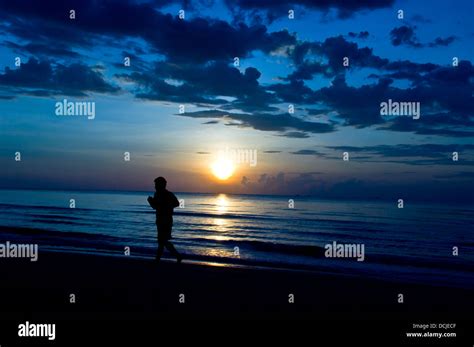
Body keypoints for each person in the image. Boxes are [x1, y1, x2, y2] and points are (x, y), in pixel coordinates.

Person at [147, 177, 183, 263]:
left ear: (162, 184)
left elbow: (177, 203)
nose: (155, 186)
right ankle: (161, 258)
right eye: (155, 184)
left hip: (166, 220)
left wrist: (164, 205)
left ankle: (175, 256)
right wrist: (151, 201)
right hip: (159, 220)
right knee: (161, 241)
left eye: (156, 184)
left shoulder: (168, 194)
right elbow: (155, 207)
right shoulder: (157, 194)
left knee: (162, 240)